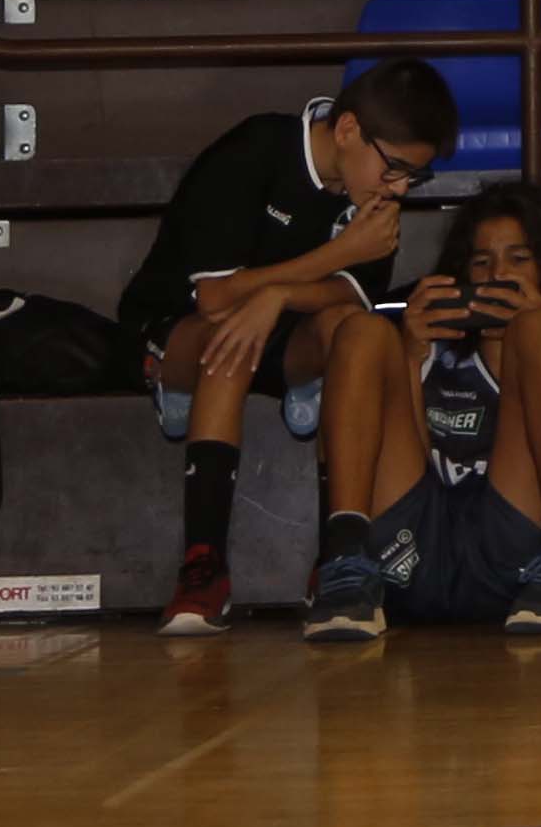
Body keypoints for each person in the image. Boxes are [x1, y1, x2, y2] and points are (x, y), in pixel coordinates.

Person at [116, 55, 456, 632]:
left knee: (355, 331)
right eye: (395, 168)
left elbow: (350, 298)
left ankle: (338, 558)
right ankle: (204, 567)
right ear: (347, 129)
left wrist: (277, 297)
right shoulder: (256, 149)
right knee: (229, 338)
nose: (398, 189)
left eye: (413, 178)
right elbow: (216, 298)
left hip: (286, 333)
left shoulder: (374, 198)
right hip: (181, 329)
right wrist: (336, 255)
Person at [299, 179, 541, 641]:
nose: (497, 275)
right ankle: (344, 559)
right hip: (415, 552)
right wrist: (410, 355)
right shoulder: (430, 354)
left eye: (519, 259)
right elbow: (405, 466)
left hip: (521, 555)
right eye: (481, 262)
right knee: (362, 332)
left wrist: (530, 338)